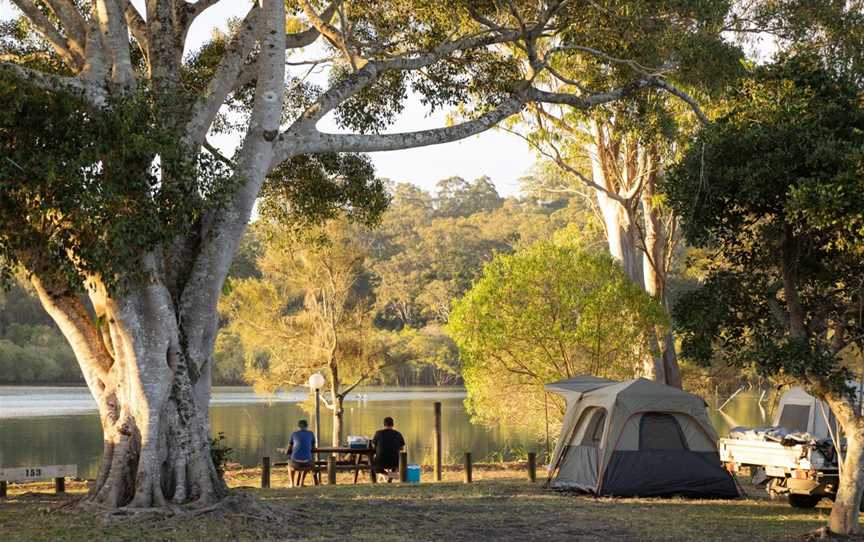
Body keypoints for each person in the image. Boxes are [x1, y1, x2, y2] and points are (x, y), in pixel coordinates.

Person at [372, 416, 405, 482]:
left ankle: (389, 475)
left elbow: (373, 446)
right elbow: (402, 449)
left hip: (380, 461)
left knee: (374, 467)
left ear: (384, 424)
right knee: (398, 465)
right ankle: (392, 476)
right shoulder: (398, 434)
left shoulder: (378, 433)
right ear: (393, 424)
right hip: (395, 461)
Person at [286, 419, 316, 487]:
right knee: (308, 461)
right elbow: (313, 448)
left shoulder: (294, 434)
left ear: (298, 426)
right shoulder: (311, 434)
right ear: (307, 426)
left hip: (296, 463)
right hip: (307, 463)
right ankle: (301, 483)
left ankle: (292, 484)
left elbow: (289, 448)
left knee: (289, 466)